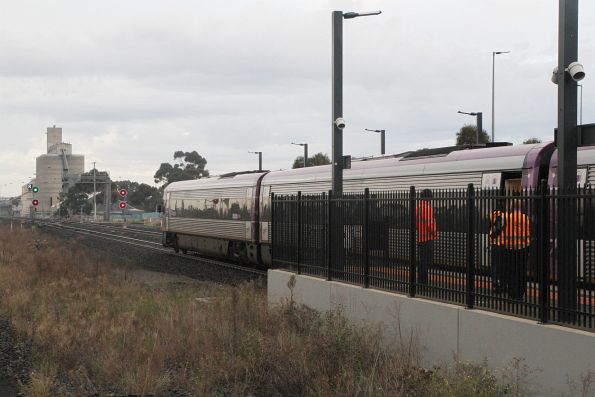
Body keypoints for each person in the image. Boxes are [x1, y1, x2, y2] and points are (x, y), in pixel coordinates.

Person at [501, 200, 531, 299]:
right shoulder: (525, 218)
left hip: (509, 247)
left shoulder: (507, 217)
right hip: (522, 248)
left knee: (511, 271)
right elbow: (527, 232)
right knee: (521, 271)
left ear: (511, 206)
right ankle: (520, 293)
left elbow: (502, 231)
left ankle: (511, 293)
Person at [416, 189, 437, 284]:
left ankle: (421, 280)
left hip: (420, 237)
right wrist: (434, 233)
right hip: (427, 238)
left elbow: (417, 223)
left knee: (422, 260)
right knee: (427, 261)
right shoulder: (427, 207)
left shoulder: (418, 207)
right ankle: (423, 282)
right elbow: (430, 223)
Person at [489, 204, 506, 294]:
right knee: (501, 265)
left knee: (494, 265)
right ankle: (500, 285)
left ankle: (495, 284)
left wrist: (492, 236)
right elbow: (499, 228)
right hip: (502, 243)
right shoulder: (502, 215)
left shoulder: (492, 215)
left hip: (495, 243)